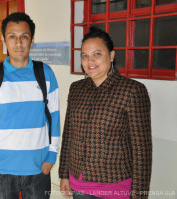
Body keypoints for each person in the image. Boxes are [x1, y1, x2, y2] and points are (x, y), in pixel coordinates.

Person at [59, 26, 152, 199]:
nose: (90, 61)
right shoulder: (76, 89)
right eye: (85, 56)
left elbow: (142, 151)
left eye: (97, 54)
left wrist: (139, 195)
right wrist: (64, 174)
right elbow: (69, 134)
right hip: (78, 183)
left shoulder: (132, 91)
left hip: (115, 186)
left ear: (111, 56)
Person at [0, 12, 60, 199]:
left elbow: (54, 116)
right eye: (12, 37)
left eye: (24, 37)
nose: (19, 43)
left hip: (39, 168)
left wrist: (52, 155)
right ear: (4, 40)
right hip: (2, 169)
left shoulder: (45, 73)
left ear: (32, 40)